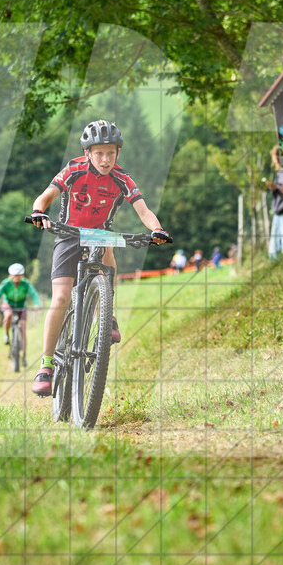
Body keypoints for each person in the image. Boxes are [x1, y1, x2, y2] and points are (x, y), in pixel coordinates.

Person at [28, 120, 170, 397]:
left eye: (111, 153)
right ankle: (45, 366)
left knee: (108, 249)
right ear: (88, 153)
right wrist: (38, 211)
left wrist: (157, 229)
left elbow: (143, 210)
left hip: (99, 235)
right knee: (60, 297)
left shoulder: (122, 179)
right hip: (68, 233)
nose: (105, 160)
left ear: (118, 153)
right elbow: (46, 196)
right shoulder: (73, 169)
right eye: (99, 153)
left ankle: (105, 315)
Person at [0, 263, 42, 346]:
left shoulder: (25, 283)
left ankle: (23, 355)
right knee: (8, 315)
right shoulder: (6, 283)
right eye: (14, 275)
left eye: (18, 275)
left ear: (22, 275)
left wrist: (37, 304)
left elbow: (34, 294)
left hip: (22, 305)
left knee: (23, 327)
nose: (16, 277)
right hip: (8, 304)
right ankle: (6, 334)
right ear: (10, 275)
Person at [264, 147, 283, 260]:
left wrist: (279, 189)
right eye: (275, 159)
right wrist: (273, 189)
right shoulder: (279, 173)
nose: (277, 162)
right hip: (277, 211)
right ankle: (274, 263)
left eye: (278, 158)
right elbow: (278, 194)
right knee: (274, 243)